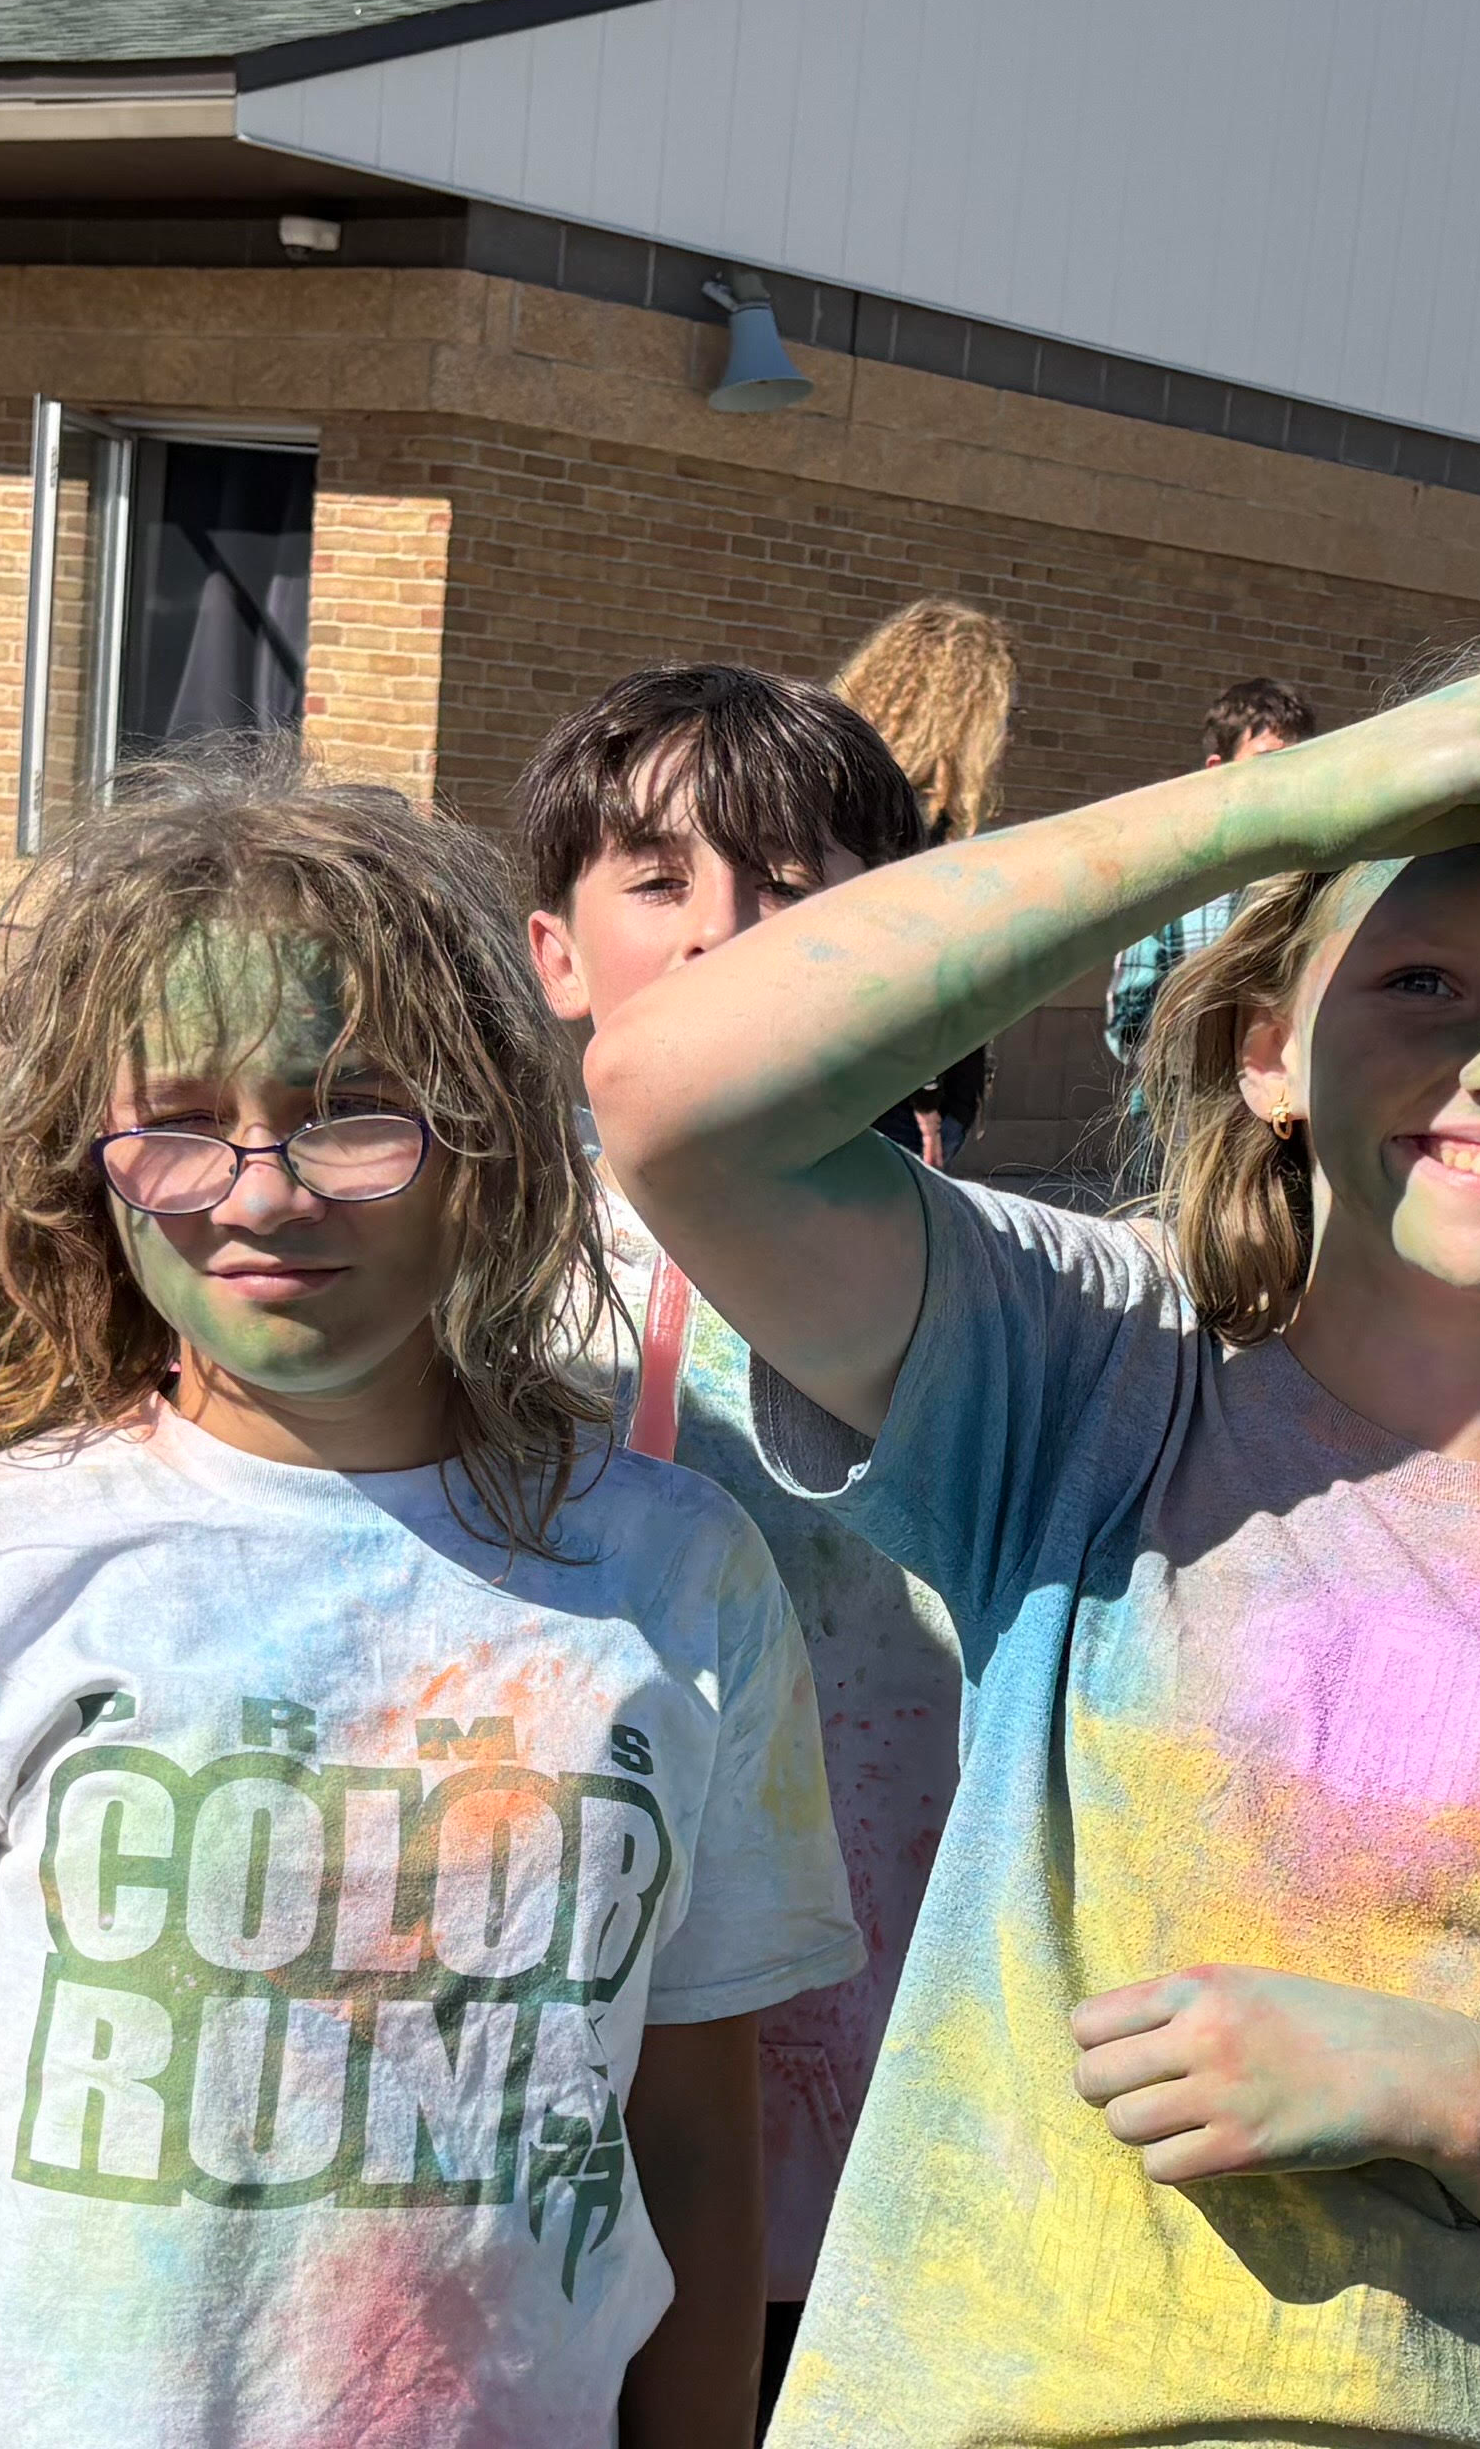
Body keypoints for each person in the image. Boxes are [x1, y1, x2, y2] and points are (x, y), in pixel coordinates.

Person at [590, 662, 1480, 2443]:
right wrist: (1290, 801)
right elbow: (664, 1096)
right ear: (1267, 1047)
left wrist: (1461, 2093)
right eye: (1419, 980)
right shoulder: (1092, 1381)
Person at [0, 768, 852, 2447]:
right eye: (180, 1117)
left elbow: (686, 2156)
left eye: (350, 1111)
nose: (259, 1190)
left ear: (482, 1140)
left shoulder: (680, 1582)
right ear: (89, 1159)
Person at [508, 662, 965, 2403]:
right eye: (660, 880)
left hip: (875, 2150)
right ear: (555, 950)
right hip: (524, 2128)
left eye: (790, 883)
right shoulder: (455, 1259)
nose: (725, 932)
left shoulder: (990, 1286)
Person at [830, 599, 1015, 1164]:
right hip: (898, 1104)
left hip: (829, 1085)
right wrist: (929, 1104)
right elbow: (909, 975)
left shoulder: (832, 795)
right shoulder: (913, 821)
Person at [1095, 675, 1319, 1076]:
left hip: (1287, 1112)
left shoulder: (1315, 873)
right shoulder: (1170, 874)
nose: (1286, 778)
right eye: (1269, 761)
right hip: (1183, 1113)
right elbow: (1128, 1020)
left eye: (1299, 762)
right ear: (1218, 770)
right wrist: (1214, 1066)